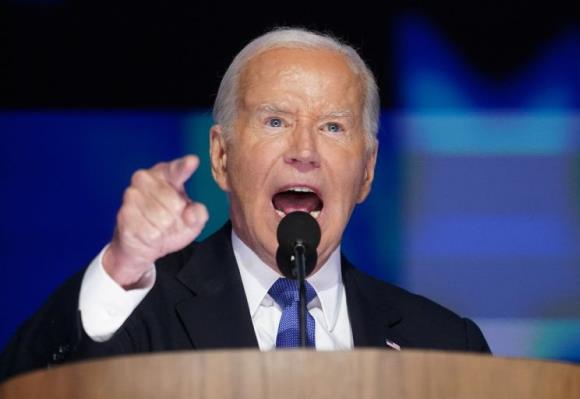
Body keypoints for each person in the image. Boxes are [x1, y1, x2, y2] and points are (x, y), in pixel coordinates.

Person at [0, 27, 490, 382]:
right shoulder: (138, 313)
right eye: (275, 121)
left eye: (333, 127)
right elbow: (27, 388)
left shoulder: (445, 344)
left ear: (366, 171)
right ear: (221, 156)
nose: (304, 150)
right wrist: (121, 267)